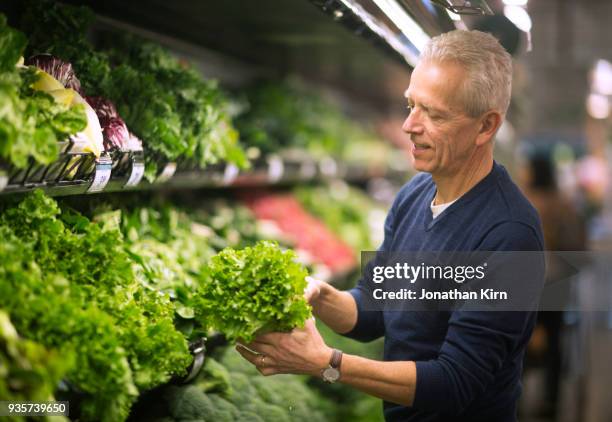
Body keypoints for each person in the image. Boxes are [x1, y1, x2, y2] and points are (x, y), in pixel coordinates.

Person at [237, 30, 545, 422]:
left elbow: (454, 383)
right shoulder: (415, 194)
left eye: (433, 113)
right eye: (410, 105)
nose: (409, 126)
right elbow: (375, 308)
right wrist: (320, 295)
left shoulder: (511, 235)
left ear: (486, 127)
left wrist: (326, 363)